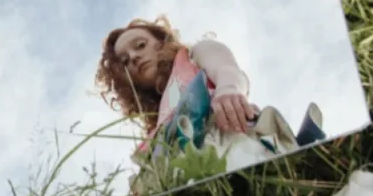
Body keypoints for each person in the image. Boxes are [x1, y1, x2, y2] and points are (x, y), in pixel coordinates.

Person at [95, 16, 257, 153]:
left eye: (140, 45)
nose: (133, 57)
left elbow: (226, 70)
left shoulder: (195, 56)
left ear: (162, 42)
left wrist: (228, 89)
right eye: (125, 61)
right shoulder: (155, 134)